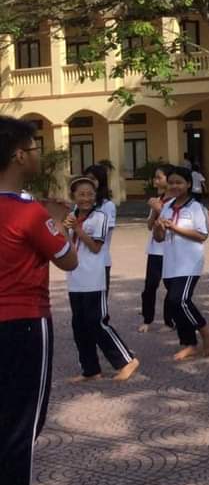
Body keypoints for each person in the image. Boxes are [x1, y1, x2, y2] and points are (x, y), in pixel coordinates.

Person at [0, 116, 79, 485]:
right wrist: (57, 223)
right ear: (18, 155)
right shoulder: (29, 212)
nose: (37, 155)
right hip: (25, 321)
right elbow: (68, 259)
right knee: (23, 421)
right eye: (33, 148)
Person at [63, 176, 139, 384]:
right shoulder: (70, 216)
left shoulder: (100, 217)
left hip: (94, 277)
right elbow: (67, 245)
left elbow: (96, 247)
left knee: (97, 321)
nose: (86, 198)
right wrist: (65, 228)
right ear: (73, 196)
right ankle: (90, 369)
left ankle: (126, 360)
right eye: (81, 194)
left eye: (90, 194)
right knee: (79, 324)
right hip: (75, 276)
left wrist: (77, 229)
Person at [155, 167, 209, 361]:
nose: (174, 186)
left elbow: (202, 235)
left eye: (179, 182)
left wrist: (175, 228)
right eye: (171, 182)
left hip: (189, 262)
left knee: (179, 300)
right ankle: (189, 343)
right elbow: (159, 238)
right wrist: (158, 228)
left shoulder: (196, 208)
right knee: (175, 305)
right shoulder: (166, 206)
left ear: (189, 184)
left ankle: (205, 331)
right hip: (170, 263)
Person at [139, 164, 174, 332]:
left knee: (171, 287)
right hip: (155, 250)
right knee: (150, 286)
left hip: (171, 249)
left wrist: (159, 208)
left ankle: (169, 321)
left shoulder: (176, 201)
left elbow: (172, 222)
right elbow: (149, 225)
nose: (155, 181)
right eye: (155, 177)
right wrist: (154, 210)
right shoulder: (158, 199)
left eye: (159, 177)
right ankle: (147, 319)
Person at [82, 163, 116, 293]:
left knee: (99, 303)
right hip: (81, 263)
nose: (88, 183)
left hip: (100, 262)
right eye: (86, 179)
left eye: (92, 179)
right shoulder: (78, 207)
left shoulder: (107, 206)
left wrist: (79, 228)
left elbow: (102, 235)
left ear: (101, 181)